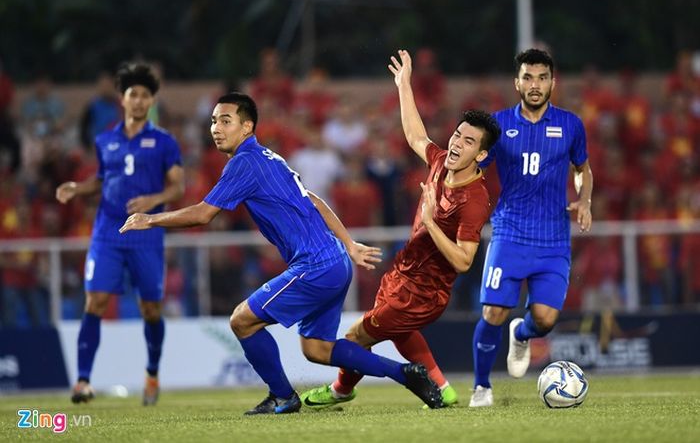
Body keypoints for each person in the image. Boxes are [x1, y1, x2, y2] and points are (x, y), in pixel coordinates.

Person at [119, 91, 443, 415]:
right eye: (214, 121)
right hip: (335, 262)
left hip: (315, 265)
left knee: (242, 321)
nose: (216, 128)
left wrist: (151, 219)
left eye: (226, 121)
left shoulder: (243, 163)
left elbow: (204, 214)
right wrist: (348, 244)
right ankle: (405, 373)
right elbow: (313, 199)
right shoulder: (270, 157)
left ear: (247, 127)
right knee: (317, 349)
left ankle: (282, 396)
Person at [300, 50, 501, 409]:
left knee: (355, 337)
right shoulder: (441, 162)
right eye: (458, 135)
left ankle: (340, 390)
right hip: (403, 273)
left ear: (482, 155)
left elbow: (464, 261)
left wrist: (428, 223)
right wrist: (403, 85)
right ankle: (443, 387)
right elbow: (414, 135)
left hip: (425, 292)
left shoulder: (473, 200)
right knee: (399, 333)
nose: (456, 144)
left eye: (469, 142)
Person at [55, 62, 185, 406]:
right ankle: (82, 382)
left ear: (152, 100)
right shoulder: (105, 140)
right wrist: (77, 189)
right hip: (107, 233)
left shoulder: (164, 142)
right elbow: (102, 181)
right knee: (94, 302)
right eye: (133, 94)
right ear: (122, 99)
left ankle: (152, 373)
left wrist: (154, 200)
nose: (139, 101)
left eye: (145, 95)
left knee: (151, 310)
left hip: (146, 234)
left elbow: (177, 187)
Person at [469, 48, 593, 407]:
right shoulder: (497, 125)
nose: (535, 85)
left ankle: (521, 335)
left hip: (553, 238)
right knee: (493, 311)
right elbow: (475, 167)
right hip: (509, 232)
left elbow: (582, 169)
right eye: (528, 77)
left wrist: (584, 201)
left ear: (553, 82)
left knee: (544, 319)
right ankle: (482, 387)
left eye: (541, 77)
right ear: (517, 83)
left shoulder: (571, 124)